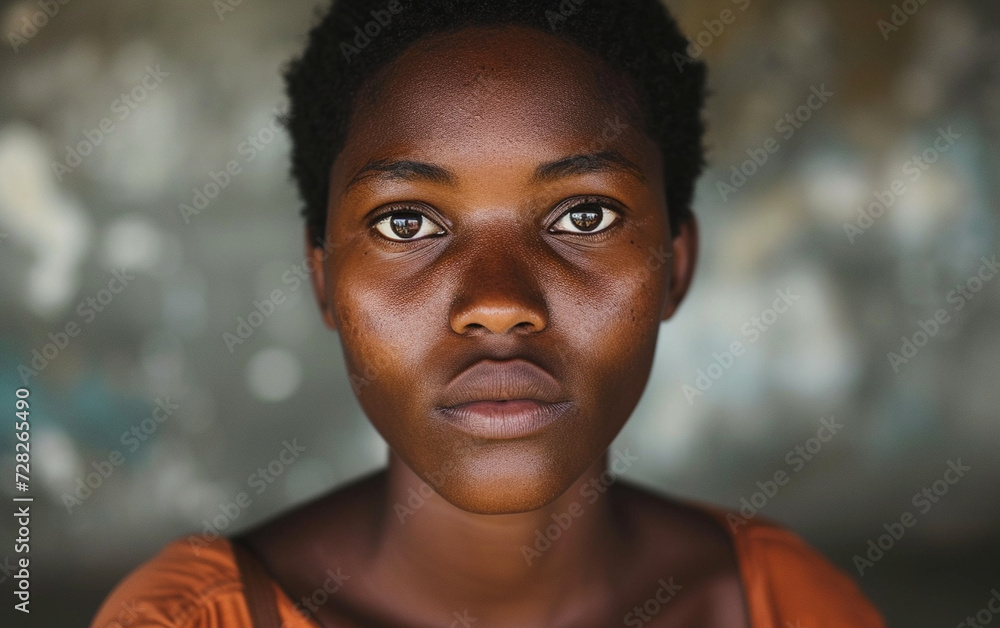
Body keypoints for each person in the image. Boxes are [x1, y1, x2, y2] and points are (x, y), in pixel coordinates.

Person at [91, 1, 886, 626]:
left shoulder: (786, 607)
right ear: (324, 277)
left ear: (674, 266)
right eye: (407, 223)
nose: (499, 303)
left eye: (584, 217)